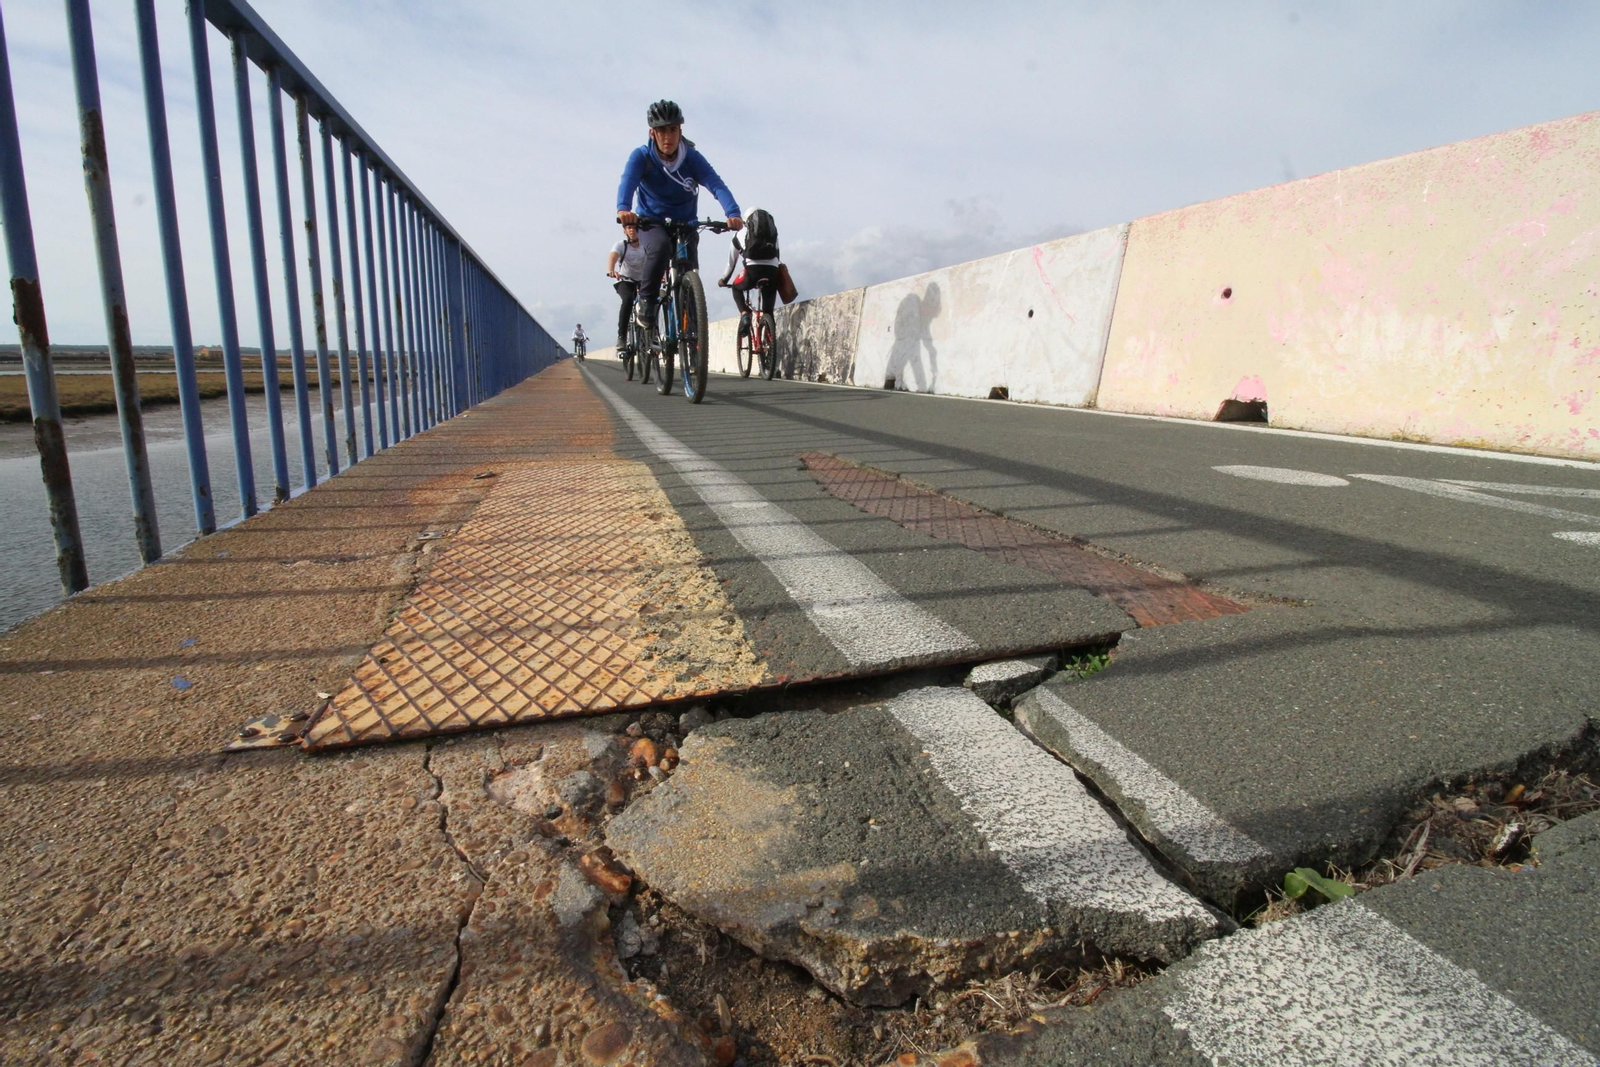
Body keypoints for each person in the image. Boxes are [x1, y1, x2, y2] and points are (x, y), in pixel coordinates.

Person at [615, 99, 743, 330]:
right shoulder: (642, 157)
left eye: (673, 129)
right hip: (650, 221)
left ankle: (692, 332)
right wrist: (624, 208)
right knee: (661, 247)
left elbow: (716, 184)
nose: (668, 137)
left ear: (680, 131)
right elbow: (628, 182)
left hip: (685, 223)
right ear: (652, 132)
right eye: (662, 130)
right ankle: (646, 301)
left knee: (688, 269)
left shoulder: (691, 158)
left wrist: (732, 212)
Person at [717, 207, 782, 335]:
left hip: (752, 272)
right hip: (772, 272)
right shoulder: (773, 234)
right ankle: (770, 343)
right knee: (768, 311)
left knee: (736, 288)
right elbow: (777, 258)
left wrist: (724, 280)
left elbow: (731, 263)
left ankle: (745, 314)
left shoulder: (739, 234)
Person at [606, 221, 646, 354]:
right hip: (625, 280)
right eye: (629, 228)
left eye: (635, 228)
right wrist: (611, 270)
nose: (632, 230)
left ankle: (652, 335)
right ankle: (622, 337)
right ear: (624, 231)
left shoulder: (645, 246)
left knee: (652, 302)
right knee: (628, 300)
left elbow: (655, 260)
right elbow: (613, 256)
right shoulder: (621, 245)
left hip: (644, 281)